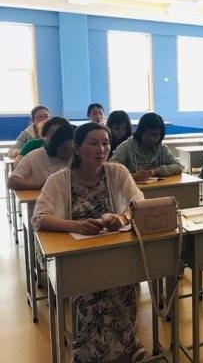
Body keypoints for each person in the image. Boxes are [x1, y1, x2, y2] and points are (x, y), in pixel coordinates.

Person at [31, 123, 147, 362]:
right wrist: (77, 225)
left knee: (123, 289)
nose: (101, 149)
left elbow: (138, 202)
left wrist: (122, 218)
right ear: (77, 148)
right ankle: (87, 354)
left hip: (116, 252)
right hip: (78, 256)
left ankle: (127, 344)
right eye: (93, 143)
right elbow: (39, 218)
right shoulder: (59, 180)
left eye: (105, 143)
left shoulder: (117, 172)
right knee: (91, 299)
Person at [112, 113, 183, 182]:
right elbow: (111, 166)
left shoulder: (161, 148)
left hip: (156, 187)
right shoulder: (127, 146)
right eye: (149, 134)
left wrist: (155, 171)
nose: (152, 139)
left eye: (156, 135)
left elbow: (179, 166)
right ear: (141, 132)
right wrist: (132, 176)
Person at [9, 124, 75, 190]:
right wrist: (40, 185)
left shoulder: (78, 157)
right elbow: (12, 181)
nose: (69, 153)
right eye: (64, 149)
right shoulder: (36, 156)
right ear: (55, 144)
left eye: (73, 150)